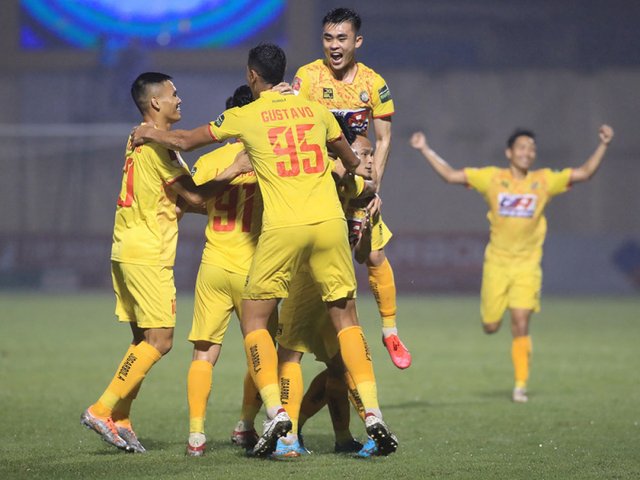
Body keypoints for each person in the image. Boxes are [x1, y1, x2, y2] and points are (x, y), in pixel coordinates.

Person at [130, 43, 398, 458]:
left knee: (255, 320)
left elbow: (185, 141)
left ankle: (275, 411)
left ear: (252, 76)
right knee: (346, 318)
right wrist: (359, 188)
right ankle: (375, 413)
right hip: (329, 224)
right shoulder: (316, 110)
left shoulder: (246, 115)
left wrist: (151, 133)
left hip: (282, 228)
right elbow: (350, 164)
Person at [80, 72, 242, 453]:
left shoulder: (138, 138)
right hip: (149, 254)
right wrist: (234, 170)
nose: (179, 99)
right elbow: (196, 198)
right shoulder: (159, 146)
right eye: (173, 94)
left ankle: (122, 418)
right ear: (155, 102)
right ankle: (102, 409)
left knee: (142, 341)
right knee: (162, 340)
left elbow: (182, 200)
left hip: (126, 248)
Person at [409, 125, 614, 402]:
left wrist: (603, 144)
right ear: (509, 152)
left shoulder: (544, 180)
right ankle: (495, 319)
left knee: (520, 322)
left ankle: (520, 385)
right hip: (497, 264)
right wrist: (425, 149)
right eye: (522, 147)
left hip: (528, 265)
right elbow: (450, 175)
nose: (527, 153)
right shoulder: (492, 178)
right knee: (491, 326)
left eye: (532, 149)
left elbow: (585, 173)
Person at [292, 7, 411, 369]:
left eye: (342, 38)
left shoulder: (373, 84)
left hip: (356, 183)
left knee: (373, 254)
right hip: (319, 183)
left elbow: (384, 139)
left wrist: (373, 187)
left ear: (357, 41)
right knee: (318, 266)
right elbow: (294, 129)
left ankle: (390, 330)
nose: (334, 45)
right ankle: (312, 335)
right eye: (328, 38)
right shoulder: (307, 78)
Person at [183, 85, 273, 456]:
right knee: (261, 346)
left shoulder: (210, 160)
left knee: (204, 351)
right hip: (254, 268)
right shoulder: (268, 156)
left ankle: (196, 435)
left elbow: (190, 200)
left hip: (213, 265)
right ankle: (246, 424)